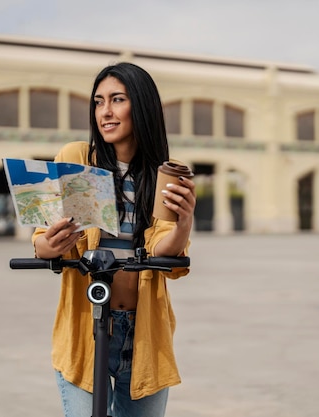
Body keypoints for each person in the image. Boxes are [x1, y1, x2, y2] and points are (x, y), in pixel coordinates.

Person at [32, 62, 196, 417]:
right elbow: (41, 242)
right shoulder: (77, 159)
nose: (105, 111)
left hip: (144, 332)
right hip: (85, 323)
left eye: (117, 100)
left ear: (141, 105)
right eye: (98, 102)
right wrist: (53, 244)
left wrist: (184, 224)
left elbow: (162, 250)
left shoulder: (165, 173)